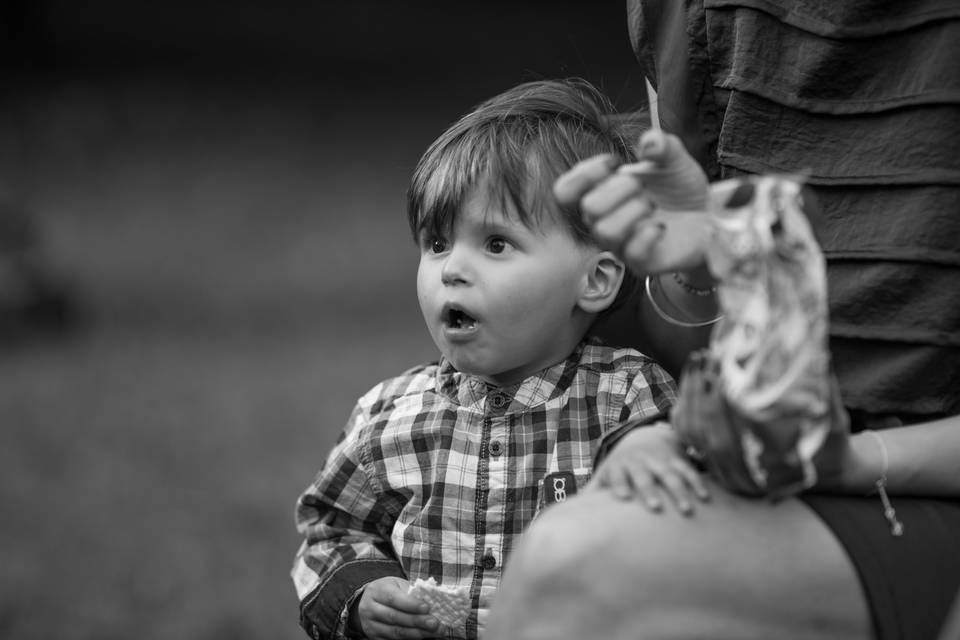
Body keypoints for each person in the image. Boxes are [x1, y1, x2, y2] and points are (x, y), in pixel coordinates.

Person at [485, 2, 960, 639]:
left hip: (910, 473)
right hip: (795, 470)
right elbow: (702, 329)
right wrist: (701, 269)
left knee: (576, 573)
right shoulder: (685, 11)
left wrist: (850, 460)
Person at [289, 78, 697, 640]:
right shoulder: (389, 416)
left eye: (496, 244)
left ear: (596, 279)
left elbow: (686, 534)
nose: (451, 269)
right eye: (436, 243)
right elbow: (330, 528)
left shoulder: (627, 401)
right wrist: (363, 594)